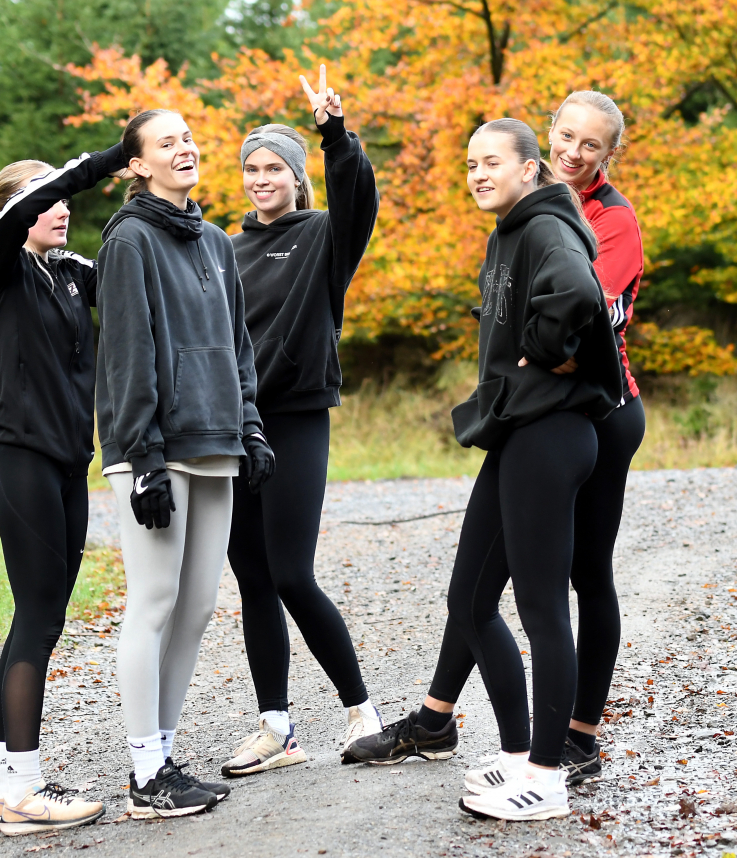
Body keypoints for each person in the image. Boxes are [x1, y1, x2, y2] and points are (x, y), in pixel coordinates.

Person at [348, 95, 645, 796]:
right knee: (484, 580)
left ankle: (574, 739)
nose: (576, 152)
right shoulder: (520, 215)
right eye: (566, 137)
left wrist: (539, 349)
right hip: (538, 410)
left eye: (591, 145)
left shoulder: (605, 219)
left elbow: (585, 310)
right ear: (547, 143)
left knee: (577, 578)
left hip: (600, 410)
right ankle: (444, 717)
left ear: (609, 156)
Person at [95, 109, 275, 818]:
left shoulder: (215, 242)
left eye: (188, 137)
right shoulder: (129, 241)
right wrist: (140, 455)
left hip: (217, 442)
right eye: (167, 142)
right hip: (155, 450)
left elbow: (238, 345)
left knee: (198, 607)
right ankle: (144, 772)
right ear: (137, 164)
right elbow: (127, 354)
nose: (186, 147)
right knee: (155, 601)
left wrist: (251, 427)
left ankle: (164, 757)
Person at [0, 143, 130, 834]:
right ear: (11, 213)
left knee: (46, 623)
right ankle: (21, 788)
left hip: (66, 467)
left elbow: (131, 264)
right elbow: (20, 212)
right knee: (36, 620)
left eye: (65, 199)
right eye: (45, 199)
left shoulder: (67, 275)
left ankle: (7, 787)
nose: (60, 208)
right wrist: (108, 157)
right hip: (20, 466)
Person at [220, 65, 382, 778]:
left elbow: (358, 200)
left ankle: (362, 715)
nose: (261, 179)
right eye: (251, 168)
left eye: (273, 168)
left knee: (291, 572)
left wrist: (333, 133)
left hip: (295, 419)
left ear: (295, 175)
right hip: (231, 428)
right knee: (252, 577)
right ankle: (276, 729)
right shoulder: (221, 248)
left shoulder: (321, 236)